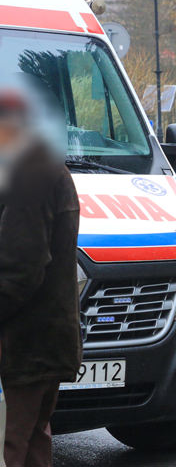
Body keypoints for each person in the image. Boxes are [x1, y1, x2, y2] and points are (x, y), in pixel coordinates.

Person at [0, 85, 81, 467]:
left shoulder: (27, 176)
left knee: (10, 444)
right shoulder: (45, 168)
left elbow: (22, 266)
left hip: (23, 344)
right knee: (33, 439)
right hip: (45, 341)